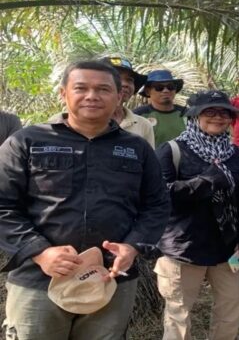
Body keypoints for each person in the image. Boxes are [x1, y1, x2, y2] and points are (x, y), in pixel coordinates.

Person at [0, 60, 170, 339]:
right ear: (63, 93)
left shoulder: (136, 148)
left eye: (103, 89)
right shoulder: (27, 141)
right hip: (38, 280)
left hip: (110, 279)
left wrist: (133, 246)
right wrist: (40, 252)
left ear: (119, 96)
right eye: (81, 88)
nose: (92, 95)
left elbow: (157, 204)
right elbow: (3, 205)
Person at [154, 90, 239, 340]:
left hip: (226, 247)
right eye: (209, 112)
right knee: (178, 315)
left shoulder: (237, 155)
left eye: (224, 113)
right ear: (194, 117)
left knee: (230, 309)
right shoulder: (172, 151)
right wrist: (206, 181)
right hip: (183, 248)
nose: (218, 118)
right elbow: (160, 197)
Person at [98, 55, 155, 148]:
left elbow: (148, 161)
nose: (125, 84)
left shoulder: (143, 125)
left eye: (129, 80)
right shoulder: (81, 122)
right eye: (117, 78)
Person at [133, 69, 186, 146]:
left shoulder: (187, 114)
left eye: (170, 87)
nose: (166, 91)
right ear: (148, 91)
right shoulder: (138, 115)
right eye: (159, 87)